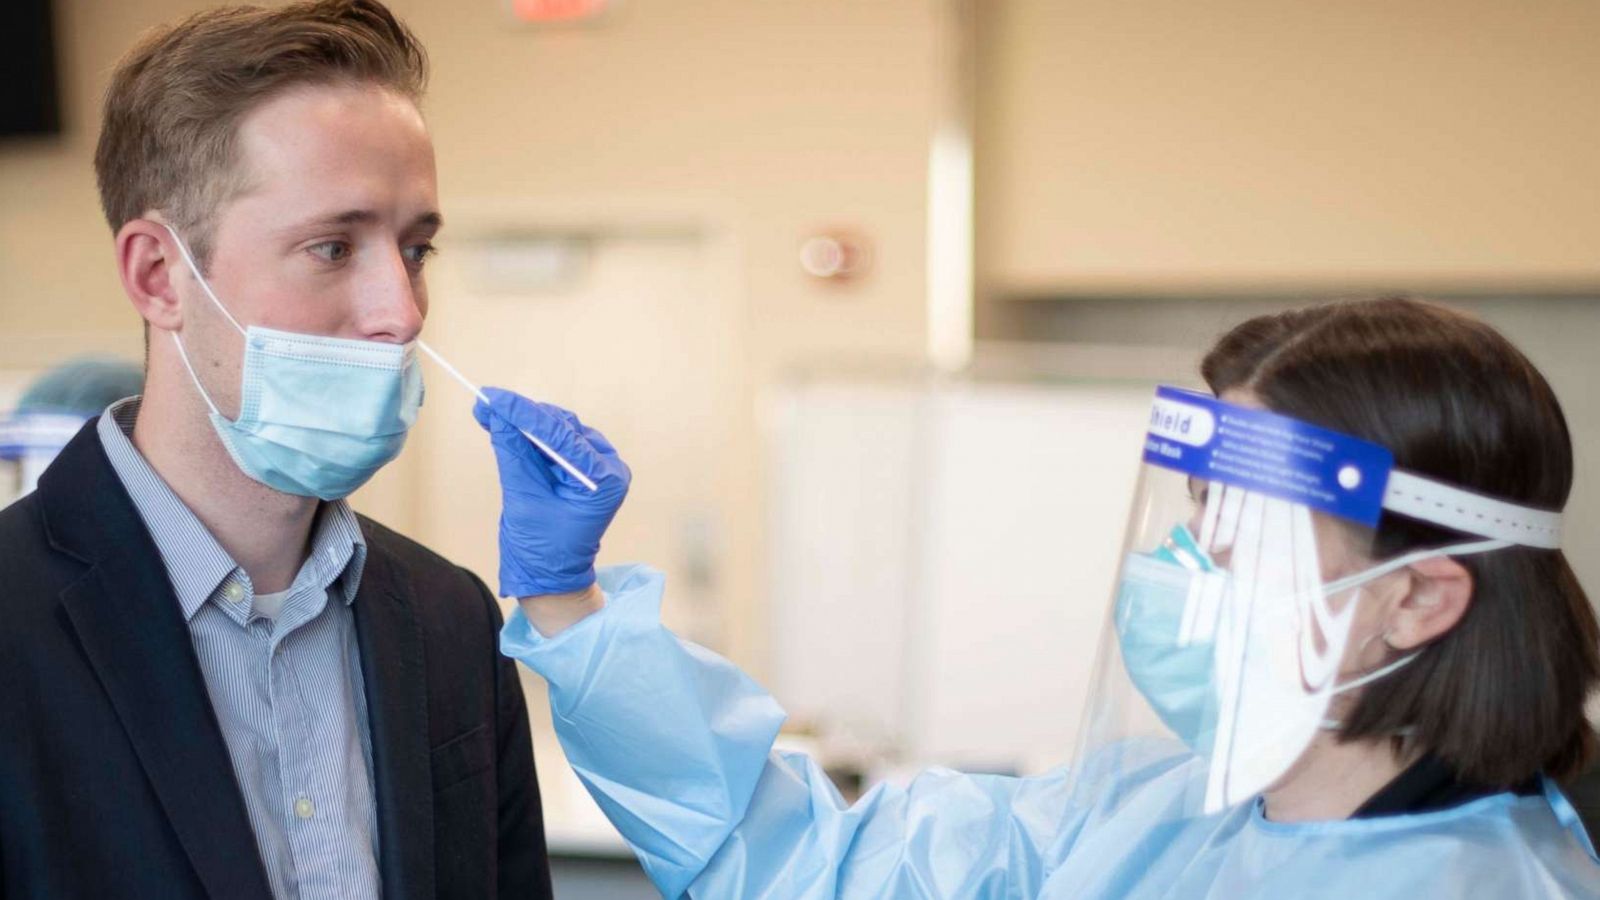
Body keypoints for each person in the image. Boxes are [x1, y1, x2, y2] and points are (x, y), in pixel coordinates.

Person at [473, 297, 1600, 898]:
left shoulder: (1482, 887)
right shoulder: (1149, 816)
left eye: (1247, 524)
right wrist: (566, 601)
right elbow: (799, 866)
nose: (1191, 559)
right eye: (1198, 508)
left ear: (1418, 599)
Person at [0, 3, 552, 898]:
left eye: (415, 251)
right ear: (157, 275)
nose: (402, 313)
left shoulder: (451, 620)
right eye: (332, 247)